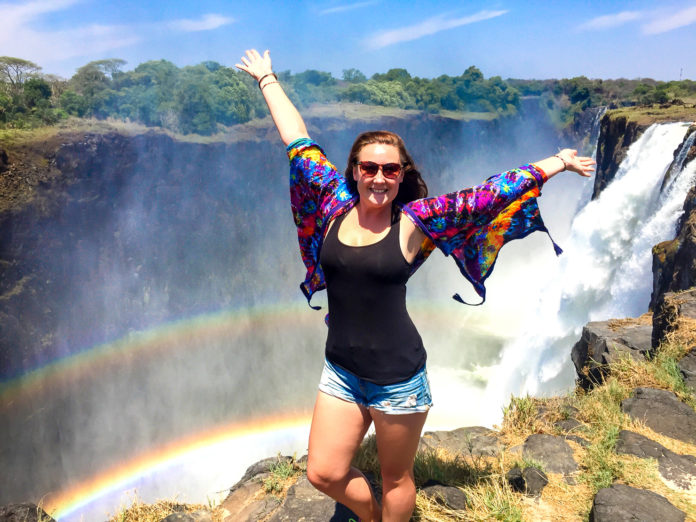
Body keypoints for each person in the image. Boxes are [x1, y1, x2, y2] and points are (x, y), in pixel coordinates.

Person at [236, 49, 595, 522]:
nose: (379, 178)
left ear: (402, 175)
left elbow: (487, 196)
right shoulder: (329, 201)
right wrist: (266, 79)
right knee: (322, 473)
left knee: (397, 479)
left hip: (398, 379)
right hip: (340, 371)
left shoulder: (415, 222)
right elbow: (297, 138)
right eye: (369, 168)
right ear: (354, 171)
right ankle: (370, 516)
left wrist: (557, 162)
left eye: (391, 169)